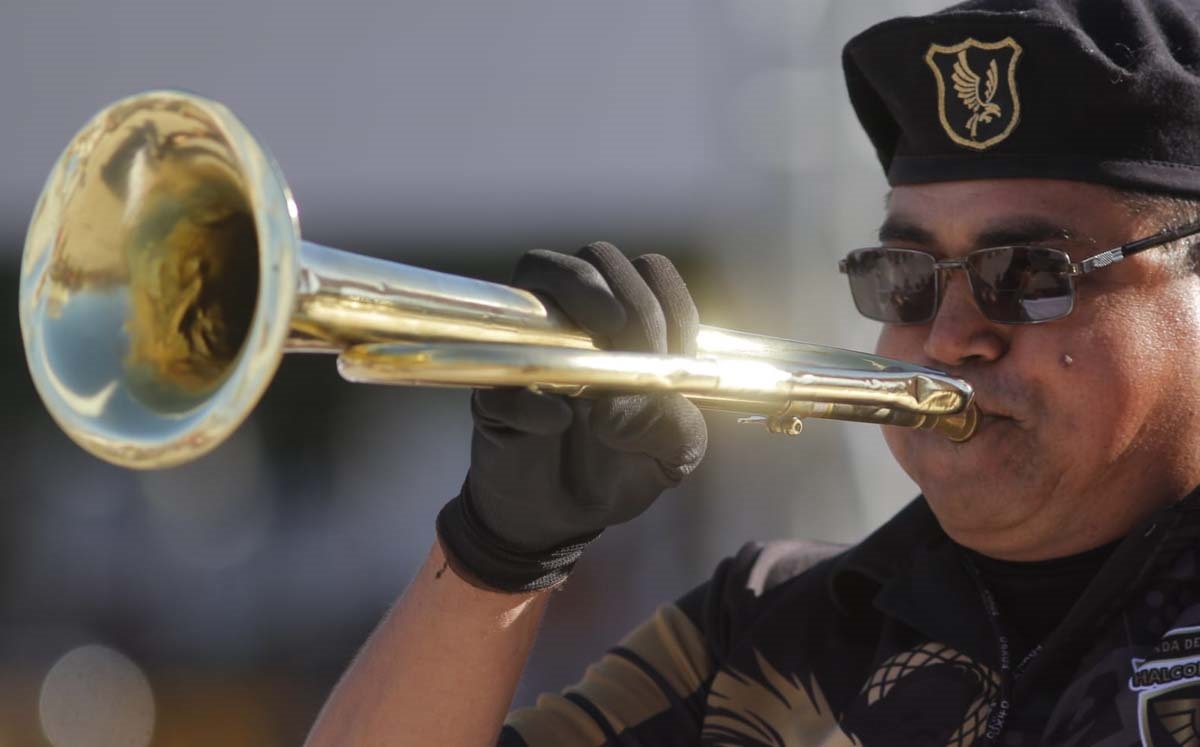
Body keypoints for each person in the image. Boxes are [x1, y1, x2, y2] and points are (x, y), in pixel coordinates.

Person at [304, 1, 1200, 744]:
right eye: (907, 280)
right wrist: (494, 553)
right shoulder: (766, 627)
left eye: (1030, 274)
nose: (951, 334)